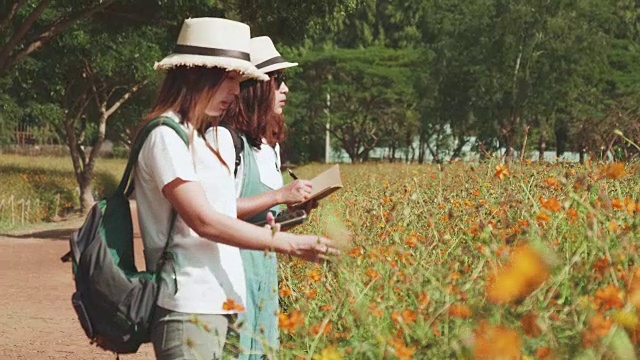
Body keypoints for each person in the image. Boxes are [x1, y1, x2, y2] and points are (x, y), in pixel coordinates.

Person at [134, 18, 337, 360]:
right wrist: (290, 243)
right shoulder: (166, 136)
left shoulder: (197, 137)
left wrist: (274, 223)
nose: (235, 90)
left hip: (223, 301)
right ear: (199, 74)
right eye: (230, 78)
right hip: (187, 305)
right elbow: (204, 221)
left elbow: (222, 213)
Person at [210, 36, 307, 359]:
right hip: (233, 268)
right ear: (256, 88)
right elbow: (217, 211)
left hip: (265, 266)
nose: (285, 90)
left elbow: (267, 218)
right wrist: (279, 194)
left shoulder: (270, 146)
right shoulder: (227, 140)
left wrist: (295, 209)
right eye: (278, 81)